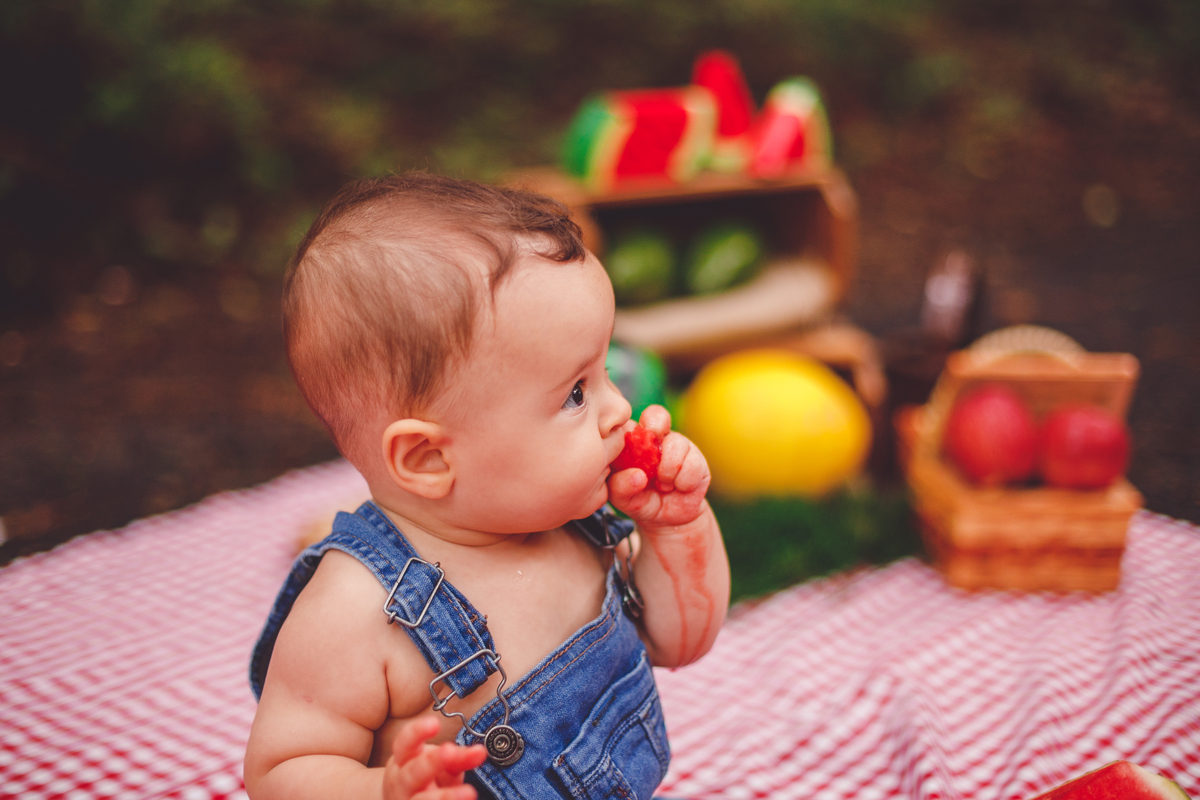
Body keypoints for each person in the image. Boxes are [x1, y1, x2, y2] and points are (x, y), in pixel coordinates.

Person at [243, 172, 730, 800]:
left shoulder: (582, 534)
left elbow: (680, 640)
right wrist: (384, 792)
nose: (619, 409)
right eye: (576, 394)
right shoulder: (356, 612)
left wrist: (678, 529)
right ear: (426, 458)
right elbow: (280, 771)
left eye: (605, 371)